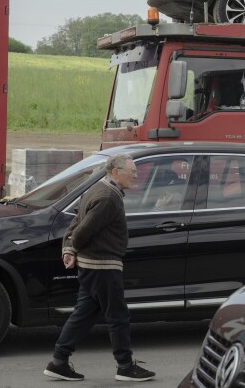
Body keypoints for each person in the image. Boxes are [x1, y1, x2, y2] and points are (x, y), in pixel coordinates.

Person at [43, 154, 156, 382]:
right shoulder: (108, 197)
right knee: (118, 316)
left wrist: (70, 250)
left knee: (84, 314)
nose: (136, 175)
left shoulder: (97, 190)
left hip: (92, 267)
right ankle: (125, 367)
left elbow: (75, 224)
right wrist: (73, 248)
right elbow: (82, 231)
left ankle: (58, 361)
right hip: (102, 266)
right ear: (115, 171)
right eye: (132, 171)